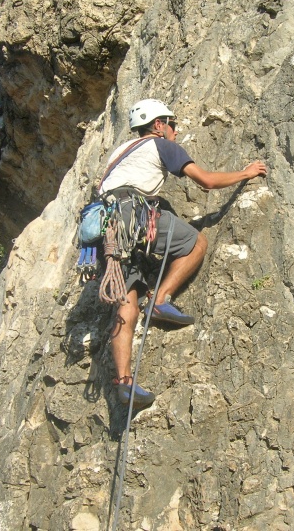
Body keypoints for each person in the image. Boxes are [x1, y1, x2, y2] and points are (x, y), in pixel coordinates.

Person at [99, 98, 267, 407]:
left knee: (127, 303)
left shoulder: (118, 153)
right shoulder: (161, 145)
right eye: (172, 124)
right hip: (132, 218)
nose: (175, 131)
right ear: (159, 125)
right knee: (197, 243)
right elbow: (207, 181)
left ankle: (124, 382)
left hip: (106, 231)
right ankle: (161, 301)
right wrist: (246, 173)